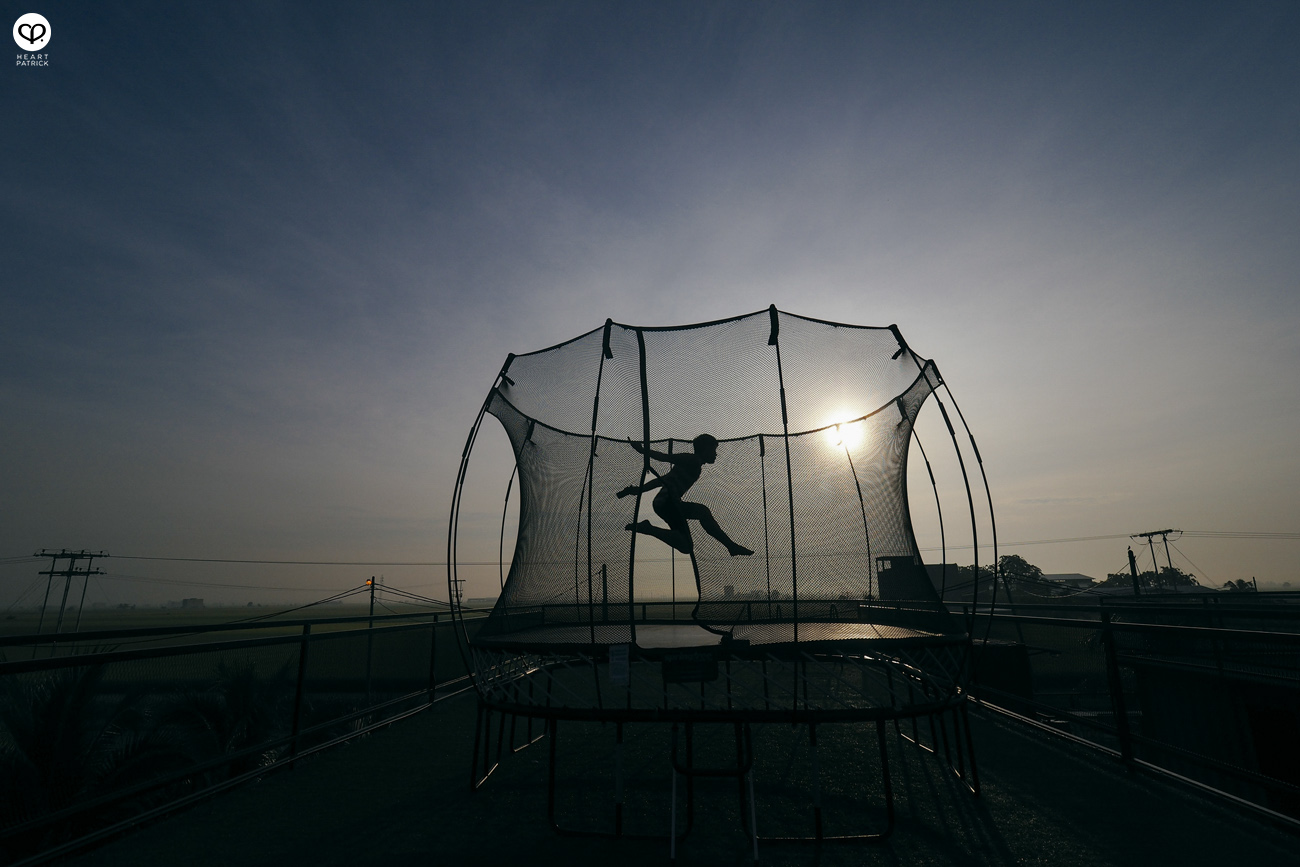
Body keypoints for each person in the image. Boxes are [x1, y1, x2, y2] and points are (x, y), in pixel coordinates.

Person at [618, 434, 754, 557]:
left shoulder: (694, 466)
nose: (715, 454)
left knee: (686, 545)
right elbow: (665, 457)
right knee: (702, 513)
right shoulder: (692, 460)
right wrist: (642, 451)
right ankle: (731, 546)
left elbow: (662, 480)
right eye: (713, 450)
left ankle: (648, 528)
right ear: (705, 449)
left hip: (665, 504)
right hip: (667, 503)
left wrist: (639, 490)